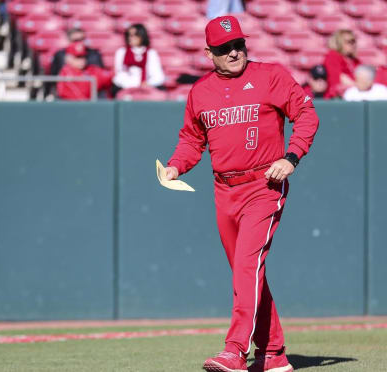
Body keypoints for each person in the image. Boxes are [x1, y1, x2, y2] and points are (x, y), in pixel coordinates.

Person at [161, 15, 319, 372]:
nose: (233, 52)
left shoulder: (270, 75)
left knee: (246, 267)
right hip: (224, 190)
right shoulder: (200, 91)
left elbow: (306, 114)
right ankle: (274, 354)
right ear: (208, 53)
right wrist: (175, 166)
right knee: (246, 274)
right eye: (224, 48)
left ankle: (235, 350)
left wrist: (292, 156)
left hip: (263, 185)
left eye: (238, 45)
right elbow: (191, 139)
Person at [112, 23, 166, 96]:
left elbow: (158, 75)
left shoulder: (151, 53)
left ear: (142, 36)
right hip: (126, 87)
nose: (131, 38)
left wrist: (147, 84)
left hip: (146, 88)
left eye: (135, 35)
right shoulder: (121, 52)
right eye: (129, 35)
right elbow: (120, 73)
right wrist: (134, 86)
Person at [47, 27, 103, 97]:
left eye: (82, 39)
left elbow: (99, 75)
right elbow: (54, 76)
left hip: (89, 94)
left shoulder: (93, 54)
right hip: (67, 95)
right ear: (69, 40)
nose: (79, 43)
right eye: (76, 40)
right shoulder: (60, 55)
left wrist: (81, 65)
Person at [323, 29, 361, 99]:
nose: (352, 44)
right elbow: (337, 82)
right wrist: (358, 85)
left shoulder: (356, 61)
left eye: (353, 41)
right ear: (339, 43)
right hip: (337, 98)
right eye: (348, 42)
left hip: (354, 96)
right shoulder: (332, 56)